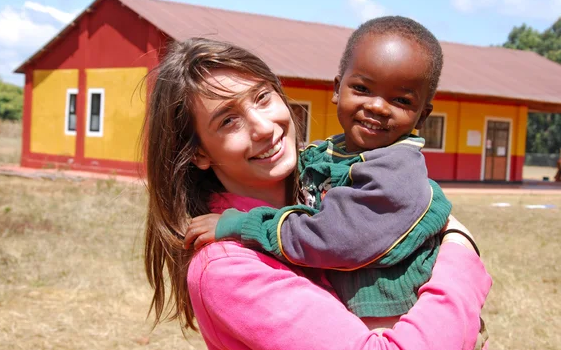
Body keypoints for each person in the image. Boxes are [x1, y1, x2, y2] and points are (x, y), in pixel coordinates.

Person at [143, 37, 491, 349]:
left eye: (262, 98)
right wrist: (460, 253)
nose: (264, 127)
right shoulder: (227, 266)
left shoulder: (328, 185)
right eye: (227, 121)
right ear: (199, 153)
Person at [185, 17, 452, 324]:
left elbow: (329, 238)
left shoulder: (395, 171)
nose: (378, 106)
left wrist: (242, 224)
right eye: (363, 88)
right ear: (338, 89)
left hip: (391, 315)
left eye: (401, 100)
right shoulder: (335, 152)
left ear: (423, 115)